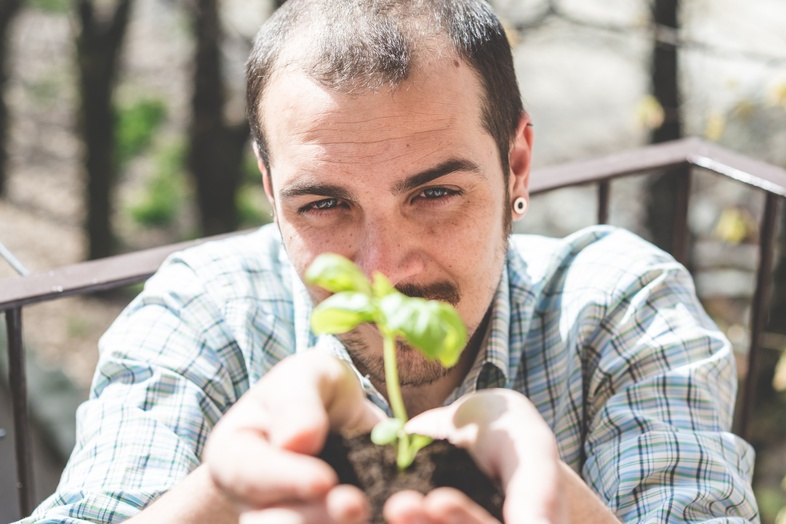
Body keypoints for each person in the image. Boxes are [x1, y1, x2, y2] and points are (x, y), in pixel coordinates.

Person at [20, 0, 758, 522]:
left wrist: (559, 506)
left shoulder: (616, 304)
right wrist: (221, 490)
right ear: (272, 189)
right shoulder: (206, 311)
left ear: (518, 166)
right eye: (324, 205)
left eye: (436, 192)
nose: (384, 270)